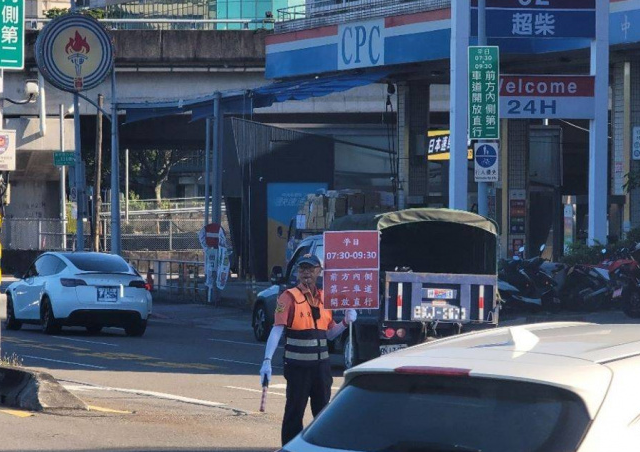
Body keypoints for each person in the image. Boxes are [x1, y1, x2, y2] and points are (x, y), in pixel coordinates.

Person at [259, 254, 357, 446]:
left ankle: (321, 448)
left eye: (311, 269)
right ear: (297, 272)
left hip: (321, 369)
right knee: (294, 412)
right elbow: (277, 329)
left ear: (318, 272)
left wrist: (345, 322)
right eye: (302, 269)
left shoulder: (324, 299)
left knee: (323, 414)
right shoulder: (288, 297)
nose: (306, 273)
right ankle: (291, 448)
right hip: (298, 367)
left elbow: (329, 335)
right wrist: (267, 360)